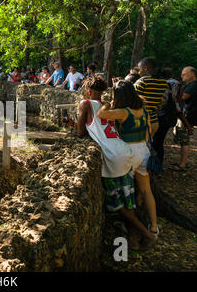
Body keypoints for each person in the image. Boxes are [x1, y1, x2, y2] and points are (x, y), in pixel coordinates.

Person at [77, 77, 157, 249]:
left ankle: (147, 234)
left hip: (113, 158)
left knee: (118, 204)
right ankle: (134, 240)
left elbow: (80, 132)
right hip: (125, 151)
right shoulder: (109, 105)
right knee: (128, 199)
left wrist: (75, 125)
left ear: (88, 92)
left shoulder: (85, 104)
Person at [97, 80, 159, 240]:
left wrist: (107, 103)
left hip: (128, 153)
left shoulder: (123, 112)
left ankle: (132, 232)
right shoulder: (143, 109)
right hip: (143, 150)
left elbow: (101, 114)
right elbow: (150, 129)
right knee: (146, 190)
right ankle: (153, 227)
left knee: (127, 194)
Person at [152, 68, 189, 167]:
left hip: (158, 116)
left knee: (155, 142)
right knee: (159, 142)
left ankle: (155, 165)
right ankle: (157, 165)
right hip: (167, 117)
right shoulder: (175, 84)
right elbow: (177, 104)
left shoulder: (159, 84)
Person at [170, 66, 196, 171]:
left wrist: (171, 92)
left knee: (184, 141)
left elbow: (181, 97)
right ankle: (182, 162)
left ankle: (183, 164)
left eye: (184, 73)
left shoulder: (193, 85)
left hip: (187, 117)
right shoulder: (189, 85)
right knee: (182, 140)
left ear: (192, 74)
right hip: (185, 116)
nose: (182, 75)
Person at [134, 57, 168, 136]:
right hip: (154, 121)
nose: (138, 72)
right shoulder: (164, 82)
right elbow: (162, 102)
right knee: (147, 146)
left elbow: (129, 97)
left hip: (141, 122)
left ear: (145, 68)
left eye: (139, 69)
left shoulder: (143, 81)